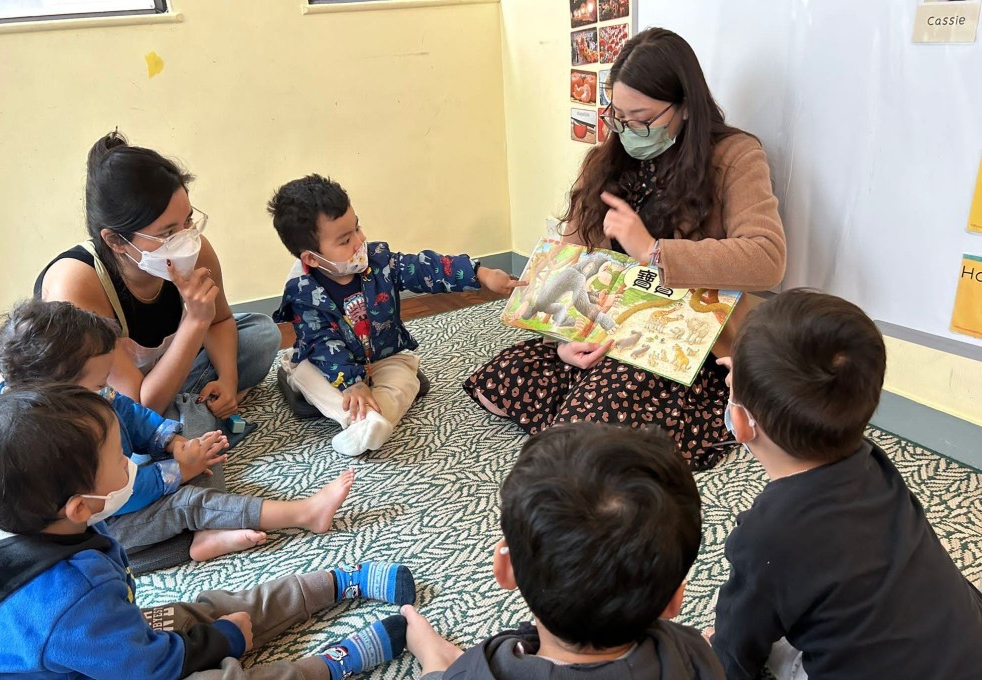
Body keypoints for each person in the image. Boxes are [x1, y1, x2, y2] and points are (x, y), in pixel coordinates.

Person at [464, 28, 786, 470]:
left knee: (590, 429)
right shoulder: (606, 159)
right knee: (501, 379)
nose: (629, 130)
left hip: (683, 342)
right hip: (610, 328)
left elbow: (767, 258)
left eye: (643, 118)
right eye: (618, 117)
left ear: (685, 107)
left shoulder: (734, 156)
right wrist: (566, 341)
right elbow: (572, 256)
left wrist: (654, 251)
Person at [0, 385, 418, 680]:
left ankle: (336, 583)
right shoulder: (70, 595)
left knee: (202, 611)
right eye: (119, 459)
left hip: (103, 649)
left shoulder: (46, 522)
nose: (130, 463)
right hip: (120, 664)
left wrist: (215, 629)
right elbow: (150, 670)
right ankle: (329, 666)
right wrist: (225, 640)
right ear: (79, 506)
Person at [708, 289, 982, 680]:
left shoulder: (764, 537)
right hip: (965, 651)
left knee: (740, 640)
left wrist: (714, 653)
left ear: (740, 423)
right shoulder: (875, 464)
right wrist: (750, 382)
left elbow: (735, 653)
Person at [0, 299, 355, 566]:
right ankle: (302, 514)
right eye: (98, 384)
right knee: (186, 505)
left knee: (198, 437)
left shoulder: (74, 398)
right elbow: (117, 494)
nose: (107, 389)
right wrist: (177, 472)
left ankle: (199, 536)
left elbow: (128, 411)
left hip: (125, 481)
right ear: (57, 392)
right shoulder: (44, 442)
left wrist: (173, 442)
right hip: (100, 519)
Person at [398, 422, 726, 680]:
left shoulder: (476, 670)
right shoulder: (695, 655)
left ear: (505, 568)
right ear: (674, 601)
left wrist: (438, 668)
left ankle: (436, 658)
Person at [269, 175, 524, 457]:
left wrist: (481, 274)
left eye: (357, 228)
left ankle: (369, 422)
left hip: (382, 357)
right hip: (329, 364)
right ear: (312, 258)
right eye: (345, 240)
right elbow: (321, 342)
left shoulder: (380, 260)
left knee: (405, 380)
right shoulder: (303, 294)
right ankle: (359, 421)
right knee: (308, 374)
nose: (360, 241)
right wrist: (352, 382)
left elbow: (426, 268)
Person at [35, 130, 281, 418]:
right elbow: (139, 403)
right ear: (115, 241)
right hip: (103, 398)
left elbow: (221, 321)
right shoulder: (77, 284)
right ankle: (187, 417)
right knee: (121, 423)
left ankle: (187, 415)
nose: (186, 239)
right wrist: (195, 321)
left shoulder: (196, 250)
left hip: (160, 375)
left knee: (261, 333)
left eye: (188, 220)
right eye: (167, 233)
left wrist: (228, 381)